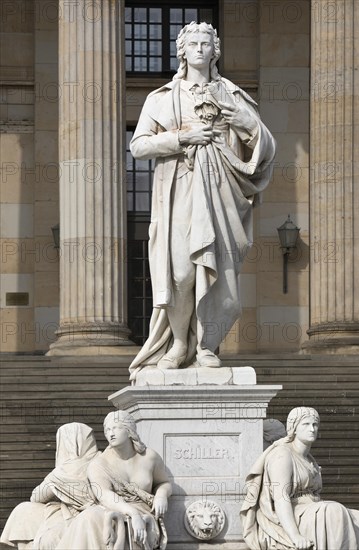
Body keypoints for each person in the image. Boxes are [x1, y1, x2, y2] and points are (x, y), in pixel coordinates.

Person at [129, 21, 276, 380]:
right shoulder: (162, 97)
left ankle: (207, 345)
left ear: (215, 50)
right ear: (181, 51)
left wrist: (236, 113)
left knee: (221, 276)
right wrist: (182, 136)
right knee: (180, 272)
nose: (199, 48)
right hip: (179, 191)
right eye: (192, 43)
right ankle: (180, 342)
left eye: (206, 43)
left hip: (221, 193)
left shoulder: (232, 93)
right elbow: (138, 145)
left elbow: (263, 144)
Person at [240, 407, 359, 549]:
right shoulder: (282, 455)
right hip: (294, 514)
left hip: (313, 510)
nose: (312, 429)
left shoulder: (308, 458)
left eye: (315, 424)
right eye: (306, 424)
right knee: (334, 511)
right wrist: (295, 536)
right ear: (293, 428)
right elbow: (281, 499)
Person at [76, 410, 171, 550]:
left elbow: (163, 482)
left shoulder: (149, 457)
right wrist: (132, 513)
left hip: (144, 511)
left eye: (116, 428)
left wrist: (162, 495)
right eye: (107, 430)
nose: (111, 433)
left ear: (129, 430)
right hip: (114, 508)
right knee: (90, 517)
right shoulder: (99, 464)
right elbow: (105, 495)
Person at [0, 422, 100, 550]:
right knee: (23, 510)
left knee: (48, 538)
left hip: (85, 516)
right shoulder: (63, 472)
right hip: (65, 511)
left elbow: (37, 496)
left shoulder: (98, 463)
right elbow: (36, 497)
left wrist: (56, 485)